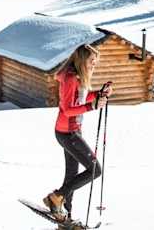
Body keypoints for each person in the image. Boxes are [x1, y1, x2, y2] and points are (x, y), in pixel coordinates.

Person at [42, 44, 112, 220]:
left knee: (72, 175)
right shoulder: (70, 78)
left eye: (96, 62)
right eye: (92, 61)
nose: (94, 65)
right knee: (95, 169)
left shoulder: (78, 77)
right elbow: (67, 109)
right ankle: (57, 197)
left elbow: (81, 97)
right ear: (82, 60)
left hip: (73, 131)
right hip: (67, 133)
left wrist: (98, 94)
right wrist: (92, 106)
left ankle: (65, 214)